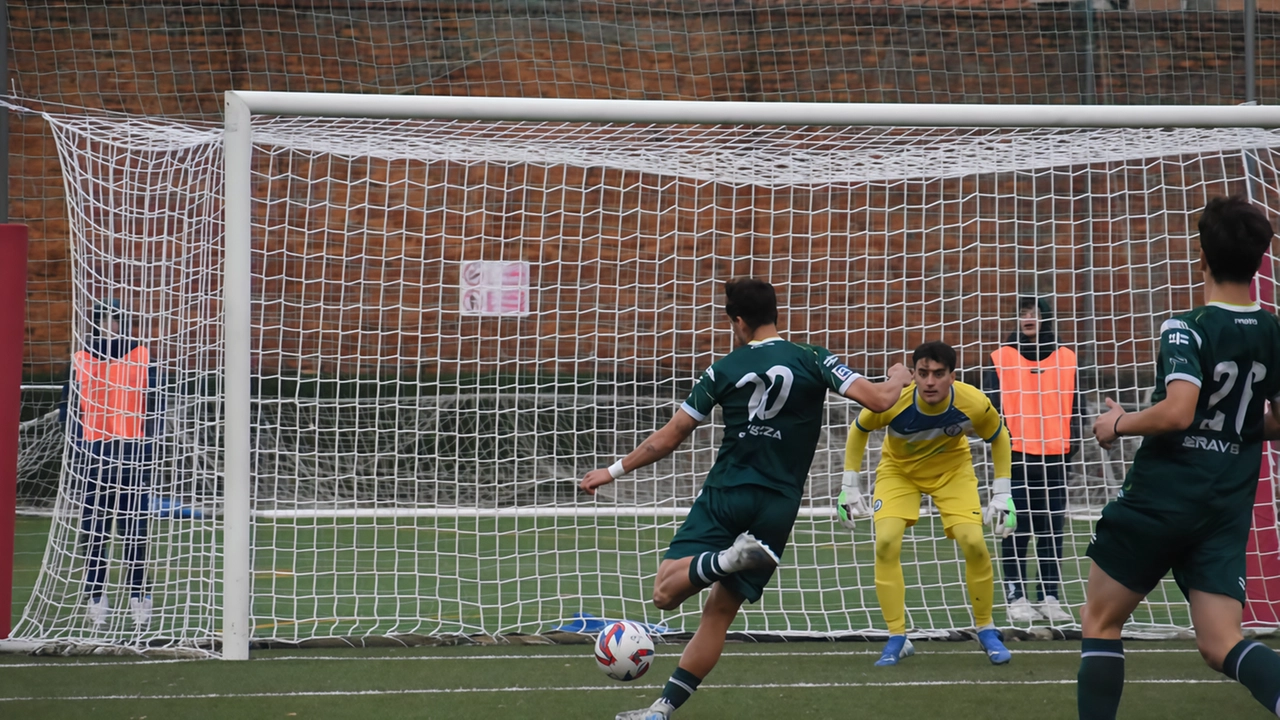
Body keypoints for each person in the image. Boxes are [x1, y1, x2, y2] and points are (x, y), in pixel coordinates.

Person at [581, 278, 912, 720]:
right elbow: (879, 400)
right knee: (718, 614)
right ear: (775, 313)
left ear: (737, 321)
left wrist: (612, 471)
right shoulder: (814, 358)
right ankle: (661, 709)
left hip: (729, 491)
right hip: (777, 506)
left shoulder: (724, 369)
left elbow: (671, 436)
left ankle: (723, 561)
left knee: (664, 593)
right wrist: (897, 376)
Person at [1080, 195, 1280, 719]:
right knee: (1221, 643)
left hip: (1161, 498)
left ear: (1202, 257)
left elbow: (1178, 412)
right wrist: (1235, 426)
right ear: (1260, 257)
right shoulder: (1274, 331)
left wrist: (1116, 424)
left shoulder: (1185, 327)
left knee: (1101, 622)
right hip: (1224, 506)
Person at [839, 340, 1015, 666]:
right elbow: (859, 427)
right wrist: (849, 484)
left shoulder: (973, 402)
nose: (930, 381)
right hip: (899, 473)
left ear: (952, 376)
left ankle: (986, 628)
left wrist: (1003, 491)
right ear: (914, 375)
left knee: (974, 542)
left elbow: (999, 435)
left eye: (938, 373)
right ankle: (897, 637)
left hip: (952, 472)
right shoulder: (894, 401)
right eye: (922, 373)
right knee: (886, 543)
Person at [60, 299, 162, 630]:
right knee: (94, 533)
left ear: (125, 323)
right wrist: (81, 447)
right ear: (95, 323)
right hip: (95, 459)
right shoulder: (81, 359)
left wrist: (146, 446)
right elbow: (68, 411)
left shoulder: (143, 357)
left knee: (134, 533)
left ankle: (139, 598)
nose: (110, 325)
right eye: (104, 319)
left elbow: (156, 408)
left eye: (116, 319)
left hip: (132, 457)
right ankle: (95, 598)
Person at [984, 296, 1082, 625]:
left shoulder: (1067, 358)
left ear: (1045, 319)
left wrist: (1071, 447)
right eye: (1023, 314)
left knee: (1051, 530)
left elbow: (1077, 407)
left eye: (1035, 314)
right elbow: (990, 412)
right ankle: (1016, 595)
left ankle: (1049, 595)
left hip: (1055, 459)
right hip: (1015, 460)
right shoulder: (1001, 359)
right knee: (1015, 528)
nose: (1029, 318)